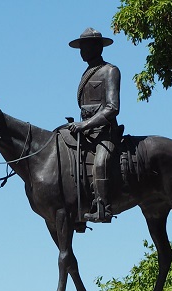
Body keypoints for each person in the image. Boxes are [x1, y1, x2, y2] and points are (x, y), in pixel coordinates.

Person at [67, 28, 120, 223]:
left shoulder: (110, 71)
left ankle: (103, 208)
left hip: (105, 132)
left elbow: (112, 108)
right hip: (87, 132)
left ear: (98, 47)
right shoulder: (87, 73)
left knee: (100, 163)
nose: (82, 51)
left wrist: (84, 124)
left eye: (85, 47)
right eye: (81, 47)